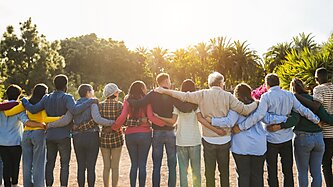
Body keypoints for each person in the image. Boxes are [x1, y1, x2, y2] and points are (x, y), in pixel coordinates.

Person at [155, 72, 258, 187]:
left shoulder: (202, 94)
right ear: (221, 83)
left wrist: (164, 91)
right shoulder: (228, 96)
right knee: (224, 172)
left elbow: (184, 96)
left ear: (210, 83)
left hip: (208, 139)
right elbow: (244, 109)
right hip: (224, 139)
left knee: (209, 173)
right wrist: (257, 103)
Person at [233, 74, 320, 187]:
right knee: (287, 170)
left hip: (271, 139)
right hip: (287, 138)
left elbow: (259, 116)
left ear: (267, 84)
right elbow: (302, 110)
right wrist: (316, 119)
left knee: (272, 171)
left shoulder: (266, 97)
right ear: (278, 83)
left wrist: (241, 127)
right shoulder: (289, 95)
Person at [211, 83, 299, 187]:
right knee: (257, 176)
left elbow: (229, 122)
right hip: (258, 145)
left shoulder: (236, 107)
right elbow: (267, 118)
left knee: (243, 175)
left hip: (241, 146)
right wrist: (284, 118)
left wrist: (212, 120)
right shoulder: (258, 105)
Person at [22, 74, 96, 187]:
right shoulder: (67, 97)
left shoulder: (46, 97)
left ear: (54, 84)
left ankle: (49, 185)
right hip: (64, 135)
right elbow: (75, 110)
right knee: (64, 164)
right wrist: (91, 101)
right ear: (65, 85)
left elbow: (33, 109)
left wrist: (24, 100)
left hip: (50, 136)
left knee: (49, 163)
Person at [127, 73, 195, 187]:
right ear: (166, 81)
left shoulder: (152, 94)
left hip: (157, 132)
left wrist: (128, 100)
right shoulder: (171, 94)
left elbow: (139, 103)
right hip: (170, 132)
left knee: (156, 165)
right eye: (169, 80)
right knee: (172, 164)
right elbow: (183, 107)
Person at [111, 81, 167, 187]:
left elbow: (123, 117)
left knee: (134, 164)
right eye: (144, 87)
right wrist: (164, 124)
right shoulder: (147, 100)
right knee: (142, 164)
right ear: (141, 88)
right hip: (145, 134)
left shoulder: (127, 100)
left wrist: (115, 127)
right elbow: (151, 117)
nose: (146, 89)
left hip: (130, 135)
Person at [155, 79, 202, 187]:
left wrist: (158, 117)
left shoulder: (177, 104)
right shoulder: (196, 104)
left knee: (183, 173)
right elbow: (201, 119)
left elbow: (172, 122)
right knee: (196, 171)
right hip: (195, 141)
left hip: (181, 141)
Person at [71, 84, 116, 187]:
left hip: (77, 137)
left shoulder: (74, 105)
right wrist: (112, 122)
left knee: (81, 166)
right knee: (91, 167)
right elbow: (97, 119)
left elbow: (69, 119)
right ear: (88, 92)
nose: (93, 93)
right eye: (92, 91)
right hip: (91, 137)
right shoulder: (93, 104)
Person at [0, 85, 45, 187]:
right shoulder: (18, 108)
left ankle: (7, 184)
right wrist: (41, 124)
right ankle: (14, 183)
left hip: (1, 141)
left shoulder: (1, 108)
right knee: (15, 164)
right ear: (19, 95)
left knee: (6, 165)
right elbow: (26, 122)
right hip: (15, 141)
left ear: (6, 94)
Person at [98, 83, 124, 187]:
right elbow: (122, 121)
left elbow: (98, 120)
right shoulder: (119, 105)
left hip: (104, 137)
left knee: (106, 166)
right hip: (117, 137)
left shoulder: (100, 105)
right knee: (115, 167)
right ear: (115, 93)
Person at [312, 67, 333, 187]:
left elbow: (316, 106)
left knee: (326, 164)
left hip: (326, 134)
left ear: (317, 78)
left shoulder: (318, 89)